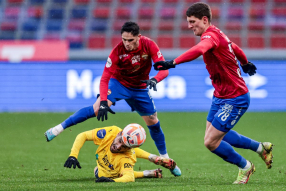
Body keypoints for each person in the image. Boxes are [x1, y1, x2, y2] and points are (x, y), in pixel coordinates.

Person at [153, 2, 273, 184]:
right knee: (214, 134)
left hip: (235, 98)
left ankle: (245, 166)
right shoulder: (217, 33)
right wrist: (245, 62)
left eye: (192, 22)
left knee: (210, 142)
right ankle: (260, 147)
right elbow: (235, 47)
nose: (189, 26)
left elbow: (200, 50)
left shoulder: (210, 36)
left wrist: (173, 62)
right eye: (188, 22)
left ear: (204, 19)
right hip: (220, 95)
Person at [45, 21, 181, 176]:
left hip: (140, 87)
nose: (127, 43)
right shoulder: (117, 51)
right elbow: (104, 79)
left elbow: (164, 70)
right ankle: (58, 128)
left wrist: (155, 79)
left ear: (139, 37)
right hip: (119, 84)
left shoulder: (149, 45)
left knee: (153, 121)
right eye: (124, 39)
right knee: (96, 108)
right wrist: (103, 102)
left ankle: (165, 158)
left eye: (131, 40)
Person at [63, 123, 177, 182]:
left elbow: (129, 177)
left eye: (124, 147)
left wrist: (112, 181)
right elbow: (82, 135)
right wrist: (73, 155)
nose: (118, 147)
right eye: (120, 141)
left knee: (98, 172)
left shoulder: (127, 157)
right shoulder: (112, 131)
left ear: (128, 149)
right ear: (120, 133)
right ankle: (151, 158)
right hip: (110, 160)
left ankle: (146, 173)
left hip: (106, 172)